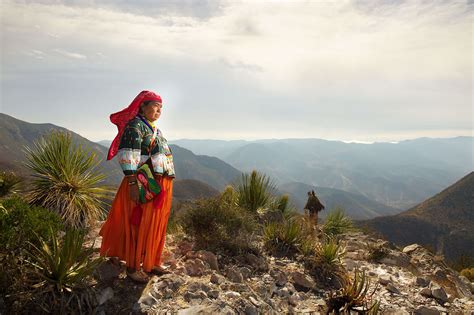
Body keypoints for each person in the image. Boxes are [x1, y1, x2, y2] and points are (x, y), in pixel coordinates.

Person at [99, 90, 176, 283]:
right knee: (138, 223)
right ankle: (133, 267)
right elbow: (128, 155)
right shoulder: (135, 127)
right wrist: (132, 182)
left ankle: (151, 262)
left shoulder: (155, 130)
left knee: (155, 223)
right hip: (142, 183)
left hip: (159, 184)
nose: (159, 110)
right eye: (155, 105)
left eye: (161, 107)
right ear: (142, 105)